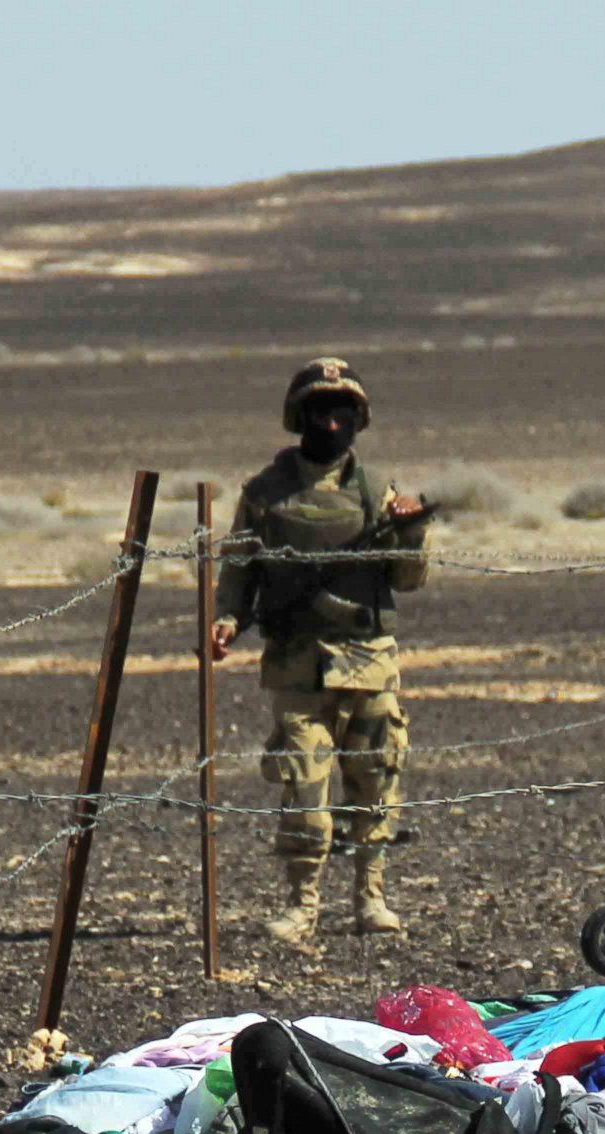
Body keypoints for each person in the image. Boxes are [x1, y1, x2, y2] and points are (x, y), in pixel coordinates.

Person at [208, 358, 434, 942]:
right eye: (319, 410)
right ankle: (302, 904)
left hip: (369, 658)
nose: (330, 423)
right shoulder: (264, 495)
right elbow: (238, 569)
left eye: (342, 411)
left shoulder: (378, 491)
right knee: (304, 783)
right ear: (298, 416)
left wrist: (411, 530)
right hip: (297, 662)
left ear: (357, 419)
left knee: (375, 780)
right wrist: (227, 619)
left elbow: (407, 581)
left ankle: (371, 899)